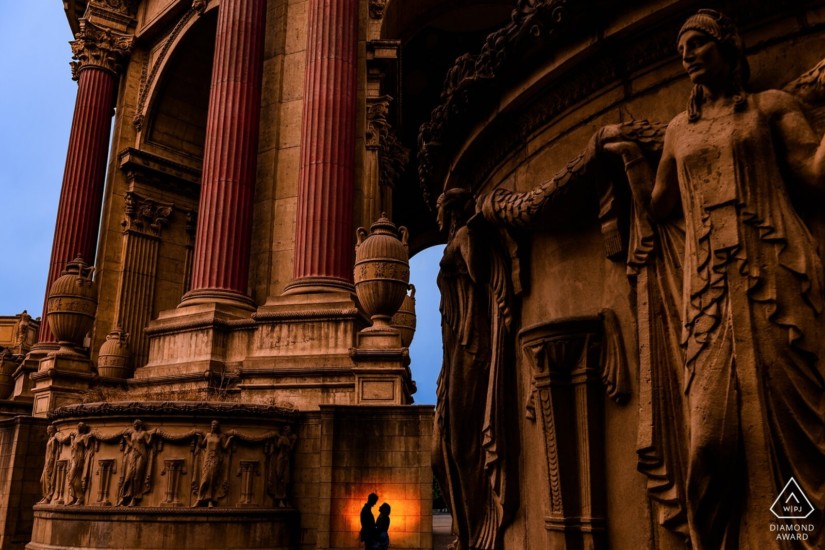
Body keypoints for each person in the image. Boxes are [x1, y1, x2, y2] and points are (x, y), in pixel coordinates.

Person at [600, 9, 825, 548]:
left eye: (698, 44)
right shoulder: (679, 131)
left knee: (796, 427)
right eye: (683, 48)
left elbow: (814, 175)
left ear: (728, 48)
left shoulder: (771, 109)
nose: (688, 55)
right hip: (707, 291)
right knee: (708, 441)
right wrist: (633, 158)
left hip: (775, 274)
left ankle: (796, 535)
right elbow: (660, 205)